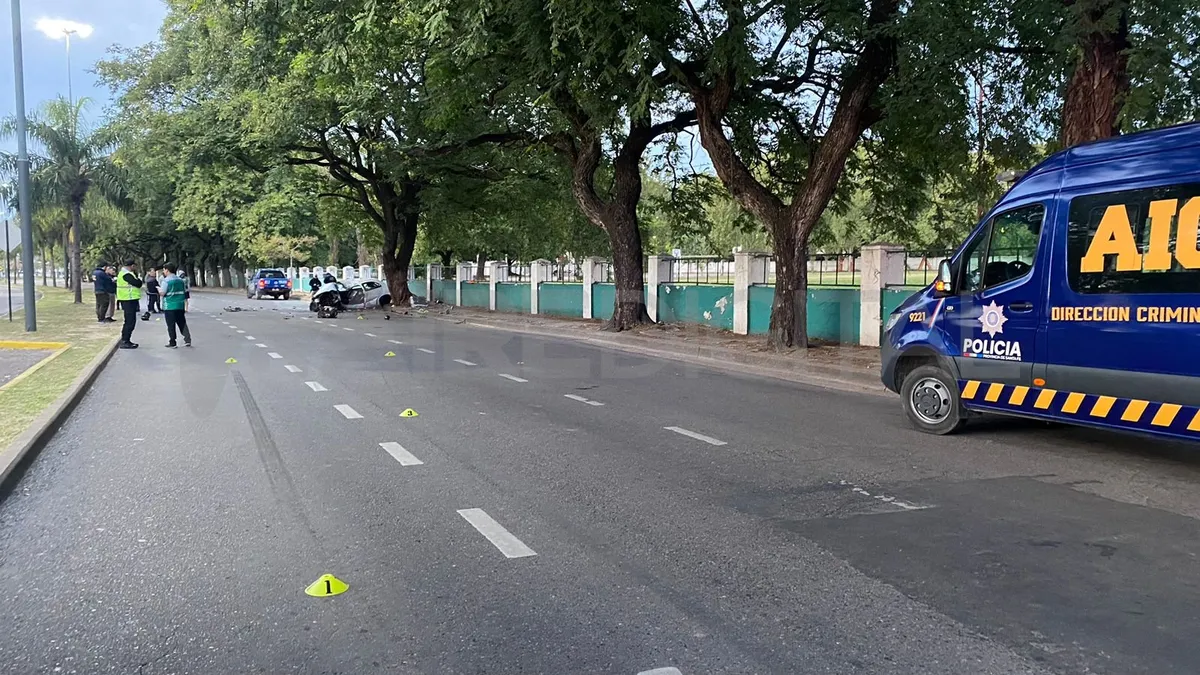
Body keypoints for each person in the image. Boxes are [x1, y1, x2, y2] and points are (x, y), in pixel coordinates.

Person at [160, 263, 192, 348]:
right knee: (182, 323)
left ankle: (173, 342)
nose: (163, 271)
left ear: (167, 270)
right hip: (180, 305)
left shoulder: (166, 281)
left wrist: (159, 290)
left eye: (164, 270)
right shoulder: (180, 280)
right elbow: (185, 291)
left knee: (171, 324)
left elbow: (162, 293)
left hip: (169, 305)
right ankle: (187, 340)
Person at [114, 259, 143, 349]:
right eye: (134, 266)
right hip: (128, 299)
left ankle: (127, 340)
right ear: (132, 266)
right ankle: (125, 341)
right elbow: (138, 283)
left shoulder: (125, 273)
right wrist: (138, 279)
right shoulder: (126, 274)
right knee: (129, 321)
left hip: (129, 299)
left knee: (130, 321)